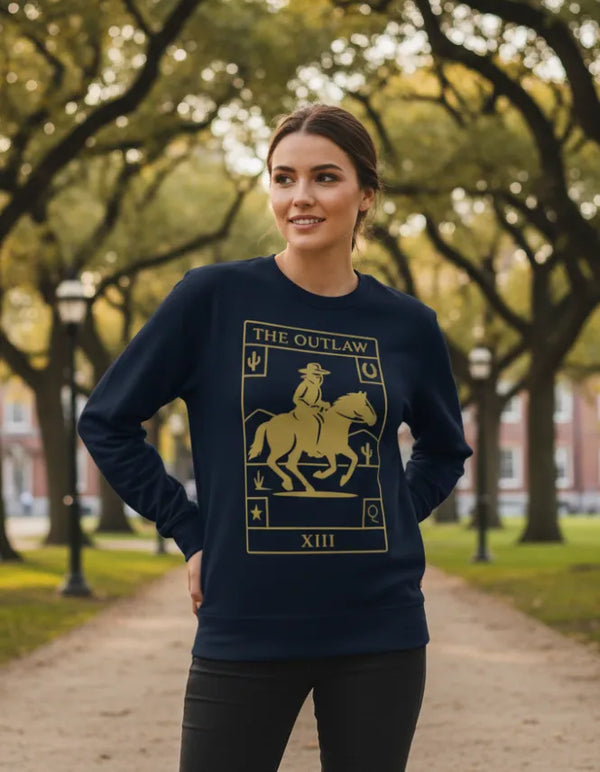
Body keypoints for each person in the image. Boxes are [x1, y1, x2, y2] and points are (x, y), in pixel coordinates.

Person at [77, 103, 473, 772]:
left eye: (325, 177)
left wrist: (393, 514)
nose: (300, 197)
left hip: (380, 626)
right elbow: (107, 420)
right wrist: (189, 529)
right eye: (284, 178)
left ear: (365, 194)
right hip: (245, 621)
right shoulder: (212, 299)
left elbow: (445, 448)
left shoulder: (407, 325)